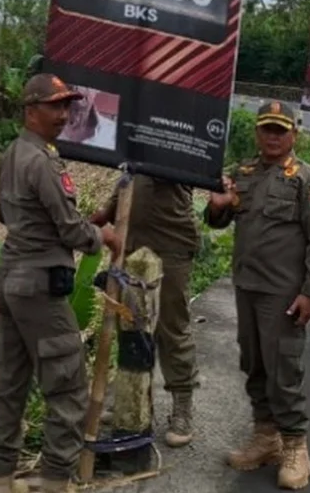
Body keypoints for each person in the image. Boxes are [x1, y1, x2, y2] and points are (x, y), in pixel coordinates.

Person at [0, 73, 122, 493]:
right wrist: (104, 236)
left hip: (10, 276)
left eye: (67, 106)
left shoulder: (12, 153)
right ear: (31, 111)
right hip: (39, 286)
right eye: (55, 106)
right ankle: (54, 481)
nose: (64, 115)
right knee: (67, 388)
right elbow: (70, 231)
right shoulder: (43, 161)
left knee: (11, 382)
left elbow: (1, 212)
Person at [203, 101, 310, 490]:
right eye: (266, 129)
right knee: (254, 364)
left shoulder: (306, 180)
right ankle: (266, 436)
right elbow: (217, 218)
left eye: (281, 130)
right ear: (257, 132)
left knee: (283, 369)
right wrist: (218, 205)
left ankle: (295, 445)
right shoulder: (241, 174)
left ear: (294, 134)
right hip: (248, 288)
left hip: (283, 293)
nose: (273, 137)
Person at [89, 173, 201, 447]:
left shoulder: (178, 134)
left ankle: (182, 407)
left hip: (171, 242)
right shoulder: (136, 136)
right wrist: (108, 209)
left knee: (171, 328)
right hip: (131, 241)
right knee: (129, 326)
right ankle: (131, 400)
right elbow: (129, 175)